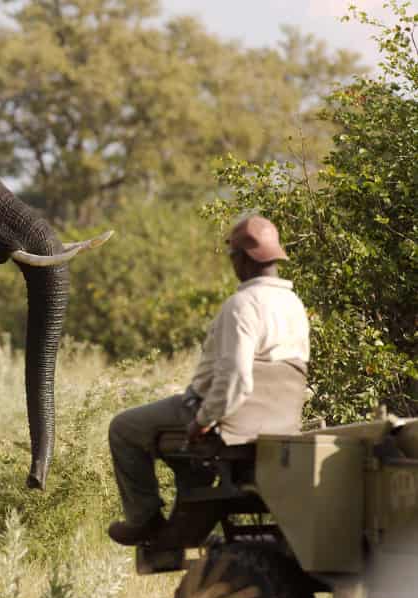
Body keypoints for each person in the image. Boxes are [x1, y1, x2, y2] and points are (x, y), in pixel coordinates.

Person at [106, 215, 311, 545]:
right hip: (278, 425)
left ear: (241, 259)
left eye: (233, 256)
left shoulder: (243, 305)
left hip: (228, 420)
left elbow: (237, 379)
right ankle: (185, 516)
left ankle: (143, 520)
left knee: (124, 427)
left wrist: (203, 421)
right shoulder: (293, 305)